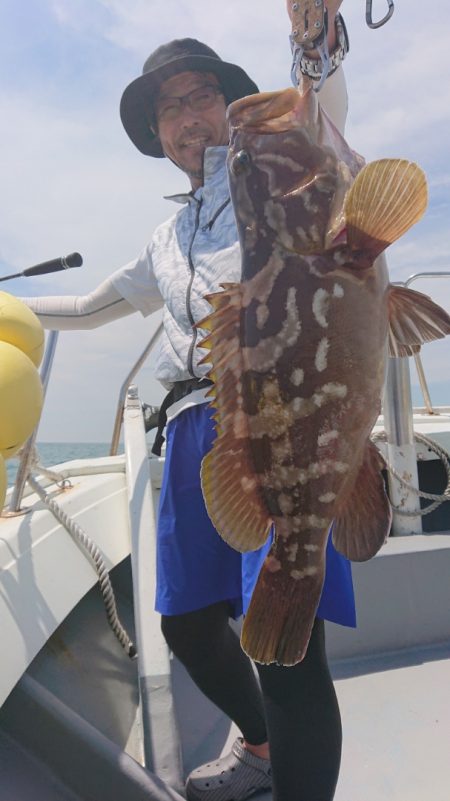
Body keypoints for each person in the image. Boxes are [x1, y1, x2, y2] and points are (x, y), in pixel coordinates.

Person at [22, 4, 356, 799]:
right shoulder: (163, 243)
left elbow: (325, 116)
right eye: (170, 107)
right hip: (192, 432)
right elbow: (97, 306)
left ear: (230, 106)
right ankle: (263, 747)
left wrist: (314, 40)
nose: (188, 117)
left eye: (202, 95)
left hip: (280, 409)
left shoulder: (278, 168)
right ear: (158, 132)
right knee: (186, 624)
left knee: (289, 639)